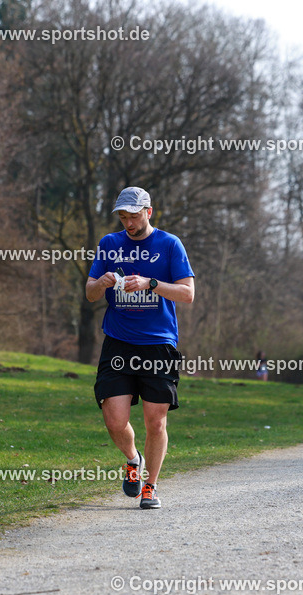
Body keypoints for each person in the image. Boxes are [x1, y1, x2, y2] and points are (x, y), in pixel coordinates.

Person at [85, 187, 195, 510]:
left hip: (158, 343)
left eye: (133, 216)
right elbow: (90, 293)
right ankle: (133, 459)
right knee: (114, 420)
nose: (128, 223)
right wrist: (102, 283)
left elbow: (188, 293)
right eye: (123, 217)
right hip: (118, 342)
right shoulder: (109, 244)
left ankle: (151, 486)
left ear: (149, 212)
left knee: (155, 422)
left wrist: (151, 284)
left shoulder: (169, 245)